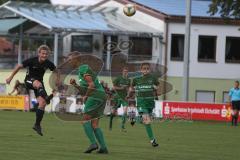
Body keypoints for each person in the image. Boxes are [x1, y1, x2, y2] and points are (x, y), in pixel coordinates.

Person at [6, 45, 58, 136]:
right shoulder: (32, 60)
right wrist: (10, 77)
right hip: (29, 81)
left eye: (46, 54)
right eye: (43, 53)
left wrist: (57, 82)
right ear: (39, 53)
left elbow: (56, 71)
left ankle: (37, 125)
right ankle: (47, 97)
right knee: (38, 83)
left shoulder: (48, 63)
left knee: (42, 104)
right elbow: (19, 66)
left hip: (39, 85)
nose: (44, 55)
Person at [70, 64, 108, 154]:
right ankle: (103, 148)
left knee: (84, 120)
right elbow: (85, 90)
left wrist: (86, 96)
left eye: (70, 59)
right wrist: (75, 84)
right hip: (101, 96)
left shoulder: (83, 68)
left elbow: (92, 85)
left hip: (95, 97)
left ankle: (93, 143)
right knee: (95, 124)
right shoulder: (80, 73)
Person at [127, 63, 159, 147]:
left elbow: (157, 86)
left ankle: (134, 118)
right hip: (141, 102)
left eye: (147, 68)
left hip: (150, 103)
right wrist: (129, 94)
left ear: (150, 70)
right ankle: (153, 140)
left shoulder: (153, 78)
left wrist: (155, 89)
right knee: (147, 120)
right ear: (141, 70)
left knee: (146, 120)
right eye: (144, 68)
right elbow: (131, 88)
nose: (146, 70)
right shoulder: (136, 79)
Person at [109, 66, 130, 132]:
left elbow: (129, 88)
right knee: (113, 112)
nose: (125, 73)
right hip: (117, 97)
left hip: (124, 98)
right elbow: (114, 87)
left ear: (127, 73)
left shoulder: (128, 80)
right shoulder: (118, 78)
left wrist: (128, 95)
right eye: (124, 71)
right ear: (122, 72)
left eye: (126, 72)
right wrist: (121, 88)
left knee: (125, 111)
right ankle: (110, 123)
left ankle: (122, 127)